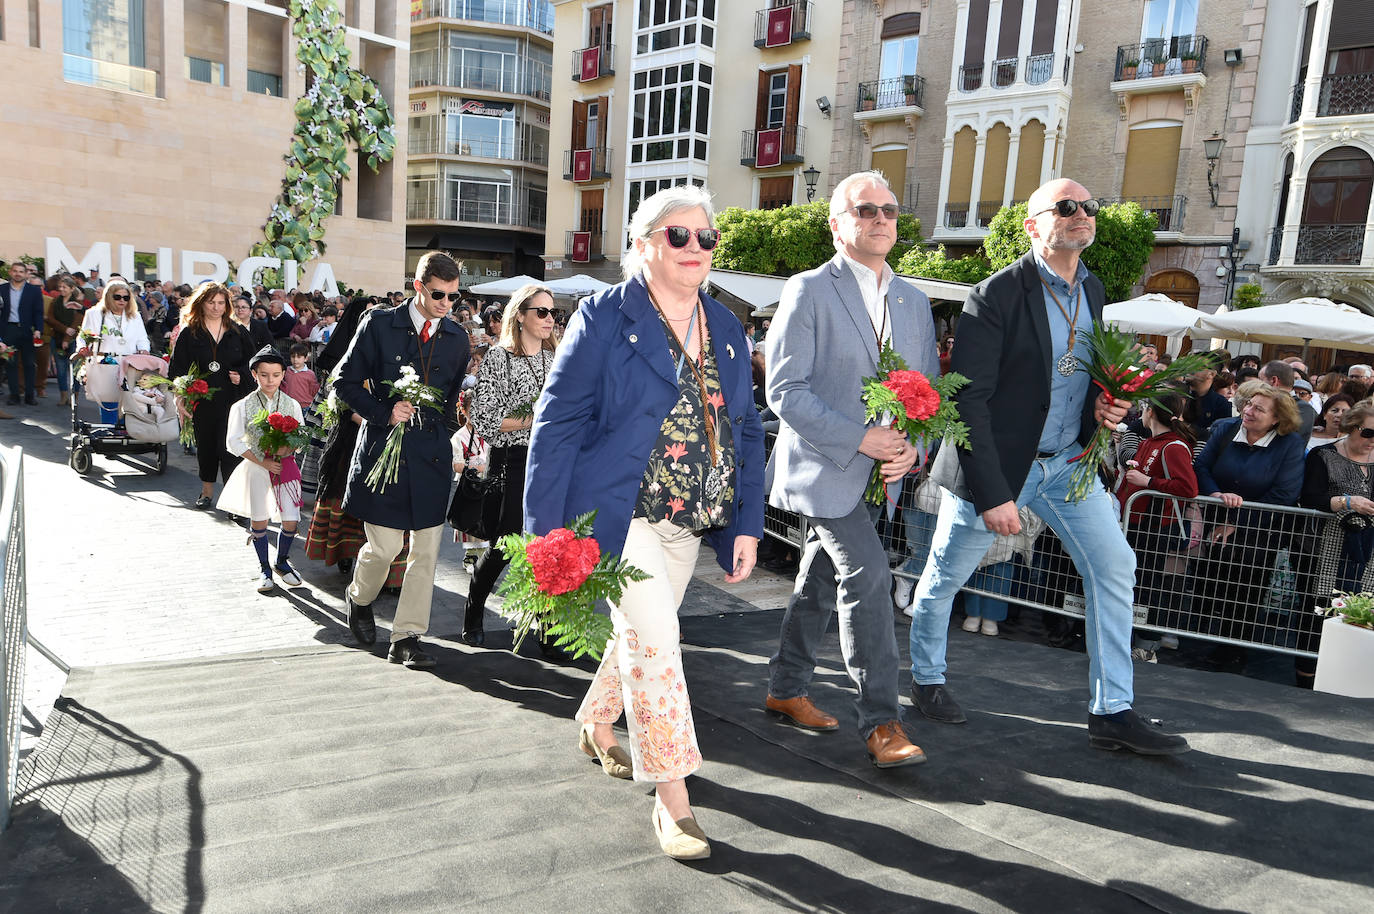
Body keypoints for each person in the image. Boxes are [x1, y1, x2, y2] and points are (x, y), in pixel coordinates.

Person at [909, 178, 1190, 755]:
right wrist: (992, 493)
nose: (1081, 214)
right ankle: (927, 677)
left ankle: (1112, 710)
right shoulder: (995, 295)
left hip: (1068, 465)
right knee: (943, 578)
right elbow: (968, 399)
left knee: (1115, 567)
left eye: (1089, 206)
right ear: (1033, 225)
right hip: (999, 470)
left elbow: (1079, 374)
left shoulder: (1094, 289)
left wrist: (1106, 404)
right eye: (1066, 207)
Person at [525, 185, 764, 861]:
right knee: (660, 637)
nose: (695, 248)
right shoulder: (605, 316)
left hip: (691, 514)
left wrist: (747, 521)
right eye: (677, 235)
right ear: (643, 244)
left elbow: (744, 429)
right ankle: (674, 798)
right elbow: (558, 422)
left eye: (705, 237)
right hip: (618, 508)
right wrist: (548, 532)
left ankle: (597, 719)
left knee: (639, 634)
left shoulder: (725, 323)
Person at [764, 170, 934, 768]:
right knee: (867, 576)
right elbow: (785, 390)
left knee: (817, 578)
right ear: (837, 224)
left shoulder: (914, 300)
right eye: (866, 210)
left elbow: (926, 395)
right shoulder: (809, 289)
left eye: (890, 209)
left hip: (881, 475)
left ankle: (786, 687)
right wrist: (865, 439)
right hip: (823, 465)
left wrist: (913, 448)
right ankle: (883, 721)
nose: (881, 219)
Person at [335, 251, 470, 669]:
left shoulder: (458, 338)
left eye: (453, 296)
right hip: (383, 453)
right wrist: (383, 411)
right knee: (386, 546)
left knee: (426, 552)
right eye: (438, 295)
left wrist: (447, 442)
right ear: (418, 286)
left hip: (429, 458)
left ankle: (407, 636)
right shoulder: (378, 324)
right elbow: (344, 382)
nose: (446, 304)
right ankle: (359, 599)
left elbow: (450, 404)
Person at [461, 283, 558, 647]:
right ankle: (473, 611)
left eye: (554, 313)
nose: (550, 319)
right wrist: (535, 419)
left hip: (551, 461)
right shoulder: (500, 358)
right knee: (506, 543)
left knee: (548, 545)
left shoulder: (555, 357)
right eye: (542, 312)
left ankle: (548, 629)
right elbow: (484, 420)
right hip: (514, 461)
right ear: (521, 315)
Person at [1192, 379, 1306, 666]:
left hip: (1260, 530)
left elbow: (1285, 493)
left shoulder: (1289, 444)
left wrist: (1237, 522)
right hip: (1215, 517)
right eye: (1249, 404)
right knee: (1211, 580)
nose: (1249, 411)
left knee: (1246, 590)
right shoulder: (1227, 429)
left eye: (1259, 409)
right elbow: (1201, 467)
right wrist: (1216, 494)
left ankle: (1235, 651)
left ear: (1277, 418)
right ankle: (1204, 642)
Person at [303, 298, 411, 585]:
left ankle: (390, 572)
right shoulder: (352, 358)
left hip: (391, 440)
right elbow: (341, 400)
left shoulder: (398, 357)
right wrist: (375, 420)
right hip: (354, 441)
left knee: (390, 505)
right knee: (348, 497)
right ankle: (349, 554)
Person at [1115, 390, 1199, 655]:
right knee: (1130, 582)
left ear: (1150, 412)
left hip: (1153, 526)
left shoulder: (1173, 445)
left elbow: (1188, 488)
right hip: (1135, 522)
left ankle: (1145, 646)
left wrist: (1148, 482)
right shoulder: (1152, 441)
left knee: (1146, 585)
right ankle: (1127, 640)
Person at [216, 347, 306, 593]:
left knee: (290, 520)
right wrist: (262, 461)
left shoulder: (292, 404)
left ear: (283, 375)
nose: (270, 380)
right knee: (260, 518)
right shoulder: (242, 406)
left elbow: (302, 435)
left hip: (285, 468)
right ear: (254, 374)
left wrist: (288, 449)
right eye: (264, 375)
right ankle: (264, 567)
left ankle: (282, 563)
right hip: (257, 468)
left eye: (276, 375)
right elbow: (233, 441)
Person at [1301, 401, 1374, 686]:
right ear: (1350, 426)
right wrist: (1346, 502)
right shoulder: (1324, 455)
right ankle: (1307, 678)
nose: (1372, 440)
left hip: (1369, 550)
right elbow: (1308, 497)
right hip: (1325, 547)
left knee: (1363, 610)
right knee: (1319, 613)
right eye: (1367, 432)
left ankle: (1351, 678)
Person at [168, 282, 256, 508]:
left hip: (233, 400)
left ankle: (232, 500)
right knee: (206, 447)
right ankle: (206, 492)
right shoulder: (190, 332)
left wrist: (242, 375)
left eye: (221, 303)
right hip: (203, 401)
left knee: (231, 450)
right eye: (211, 303)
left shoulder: (238, 331)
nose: (216, 308)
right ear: (201, 304)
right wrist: (180, 397)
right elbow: (177, 369)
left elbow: (255, 362)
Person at [78, 281, 153, 423]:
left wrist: (144, 350)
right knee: (108, 400)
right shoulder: (94, 314)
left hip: (129, 363)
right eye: (117, 297)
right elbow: (83, 336)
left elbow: (142, 338)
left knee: (129, 400)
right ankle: (109, 430)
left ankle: (126, 431)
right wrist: (82, 348)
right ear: (109, 297)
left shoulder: (134, 316)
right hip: (105, 362)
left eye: (126, 297)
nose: (122, 301)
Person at [4, 260, 45, 405]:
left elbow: (38, 312)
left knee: (29, 364)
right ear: (10, 272)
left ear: (26, 274)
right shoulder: (2, 289)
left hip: (28, 331)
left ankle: (29, 396)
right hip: (8, 330)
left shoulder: (33, 290)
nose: (18, 274)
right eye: (15, 271)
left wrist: (39, 329)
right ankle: (14, 395)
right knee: (11, 364)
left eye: (21, 271)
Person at [45, 274, 84, 406]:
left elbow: (77, 322)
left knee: (75, 370)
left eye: (65, 287)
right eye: (60, 287)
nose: (61, 289)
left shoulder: (78, 303)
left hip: (73, 340)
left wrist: (67, 338)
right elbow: (50, 318)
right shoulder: (54, 302)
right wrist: (64, 329)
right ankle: (63, 396)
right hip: (56, 337)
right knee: (61, 369)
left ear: (72, 288)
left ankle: (75, 397)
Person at [1260, 360, 1317, 438]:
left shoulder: (1302, 407)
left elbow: (1292, 441)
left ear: (1274, 381)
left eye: (1261, 380)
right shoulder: (1258, 401)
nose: (1258, 385)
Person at [280, 342, 319, 408]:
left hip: (305, 406)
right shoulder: (286, 371)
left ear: (306, 358)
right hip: (289, 405)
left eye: (299, 357)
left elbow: (314, 391)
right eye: (293, 357)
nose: (295, 359)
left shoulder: (310, 374)